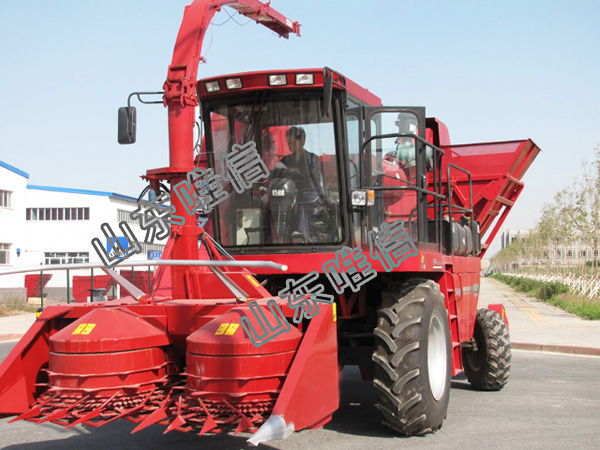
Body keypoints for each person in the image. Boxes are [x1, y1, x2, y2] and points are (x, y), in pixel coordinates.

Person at [277, 126, 327, 241]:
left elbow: (312, 182)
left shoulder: (312, 158)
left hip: (311, 195)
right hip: (290, 196)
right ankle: (275, 238)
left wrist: (293, 172)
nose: (290, 146)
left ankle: (302, 235)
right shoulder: (285, 160)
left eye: (293, 143)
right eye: (288, 143)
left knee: (305, 201)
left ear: (302, 141)